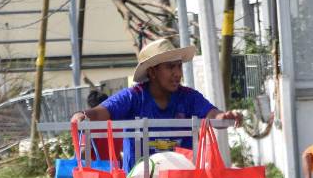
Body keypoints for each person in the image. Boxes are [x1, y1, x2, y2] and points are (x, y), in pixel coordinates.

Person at [70, 37, 242, 170]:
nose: (177, 73)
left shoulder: (189, 97)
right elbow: (102, 112)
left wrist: (223, 116)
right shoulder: (133, 97)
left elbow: (211, 114)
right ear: (152, 72)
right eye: (170, 67)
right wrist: (84, 115)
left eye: (178, 67)